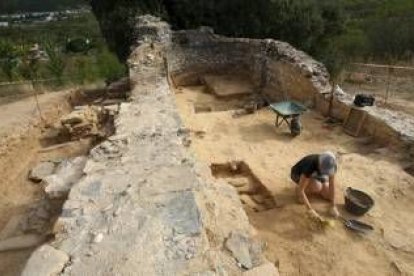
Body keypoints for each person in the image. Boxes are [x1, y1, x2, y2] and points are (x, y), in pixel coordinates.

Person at [291, 151, 340, 220]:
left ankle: (312, 184)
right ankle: (298, 188)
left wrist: (333, 205)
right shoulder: (310, 164)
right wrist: (310, 209)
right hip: (297, 174)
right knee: (316, 187)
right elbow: (301, 190)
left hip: (316, 175)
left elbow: (332, 185)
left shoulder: (332, 165)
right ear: (319, 165)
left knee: (327, 194)